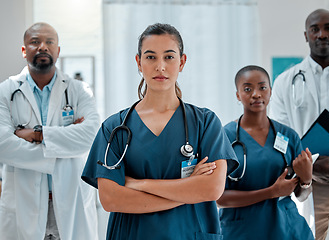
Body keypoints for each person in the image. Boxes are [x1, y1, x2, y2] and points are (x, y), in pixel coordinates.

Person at [81, 23, 239, 240]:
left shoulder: (205, 123)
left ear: (182, 62)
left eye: (169, 57)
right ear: (139, 62)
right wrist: (188, 190)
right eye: (151, 57)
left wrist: (140, 184)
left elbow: (212, 189)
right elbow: (111, 199)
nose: (160, 66)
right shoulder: (115, 128)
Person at [0, 22, 101, 239]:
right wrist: (63, 149)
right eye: (35, 42)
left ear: (58, 50)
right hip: (23, 201)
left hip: (70, 197)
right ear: (24, 50)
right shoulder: (6, 91)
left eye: (49, 42)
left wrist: (36, 135)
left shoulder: (79, 90)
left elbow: (91, 136)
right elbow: (3, 146)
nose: (42, 47)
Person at [269, 9, 329, 240]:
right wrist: (313, 163)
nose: (322, 34)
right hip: (304, 180)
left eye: (328, 28)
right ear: (306, 35)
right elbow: (279, 135)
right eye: (315, 29)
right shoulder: (285, 82)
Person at [217, 65, 314, 240]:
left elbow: (301, 196)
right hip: (242, 231)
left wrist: (307, 179)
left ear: (270, 91)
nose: (256, 94)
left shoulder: (288, 136)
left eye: (262, 87)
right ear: (238, 95)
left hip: (286, 229)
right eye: (248, 89)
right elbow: (218, 198)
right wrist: (271, 192)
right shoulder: (224, 138)